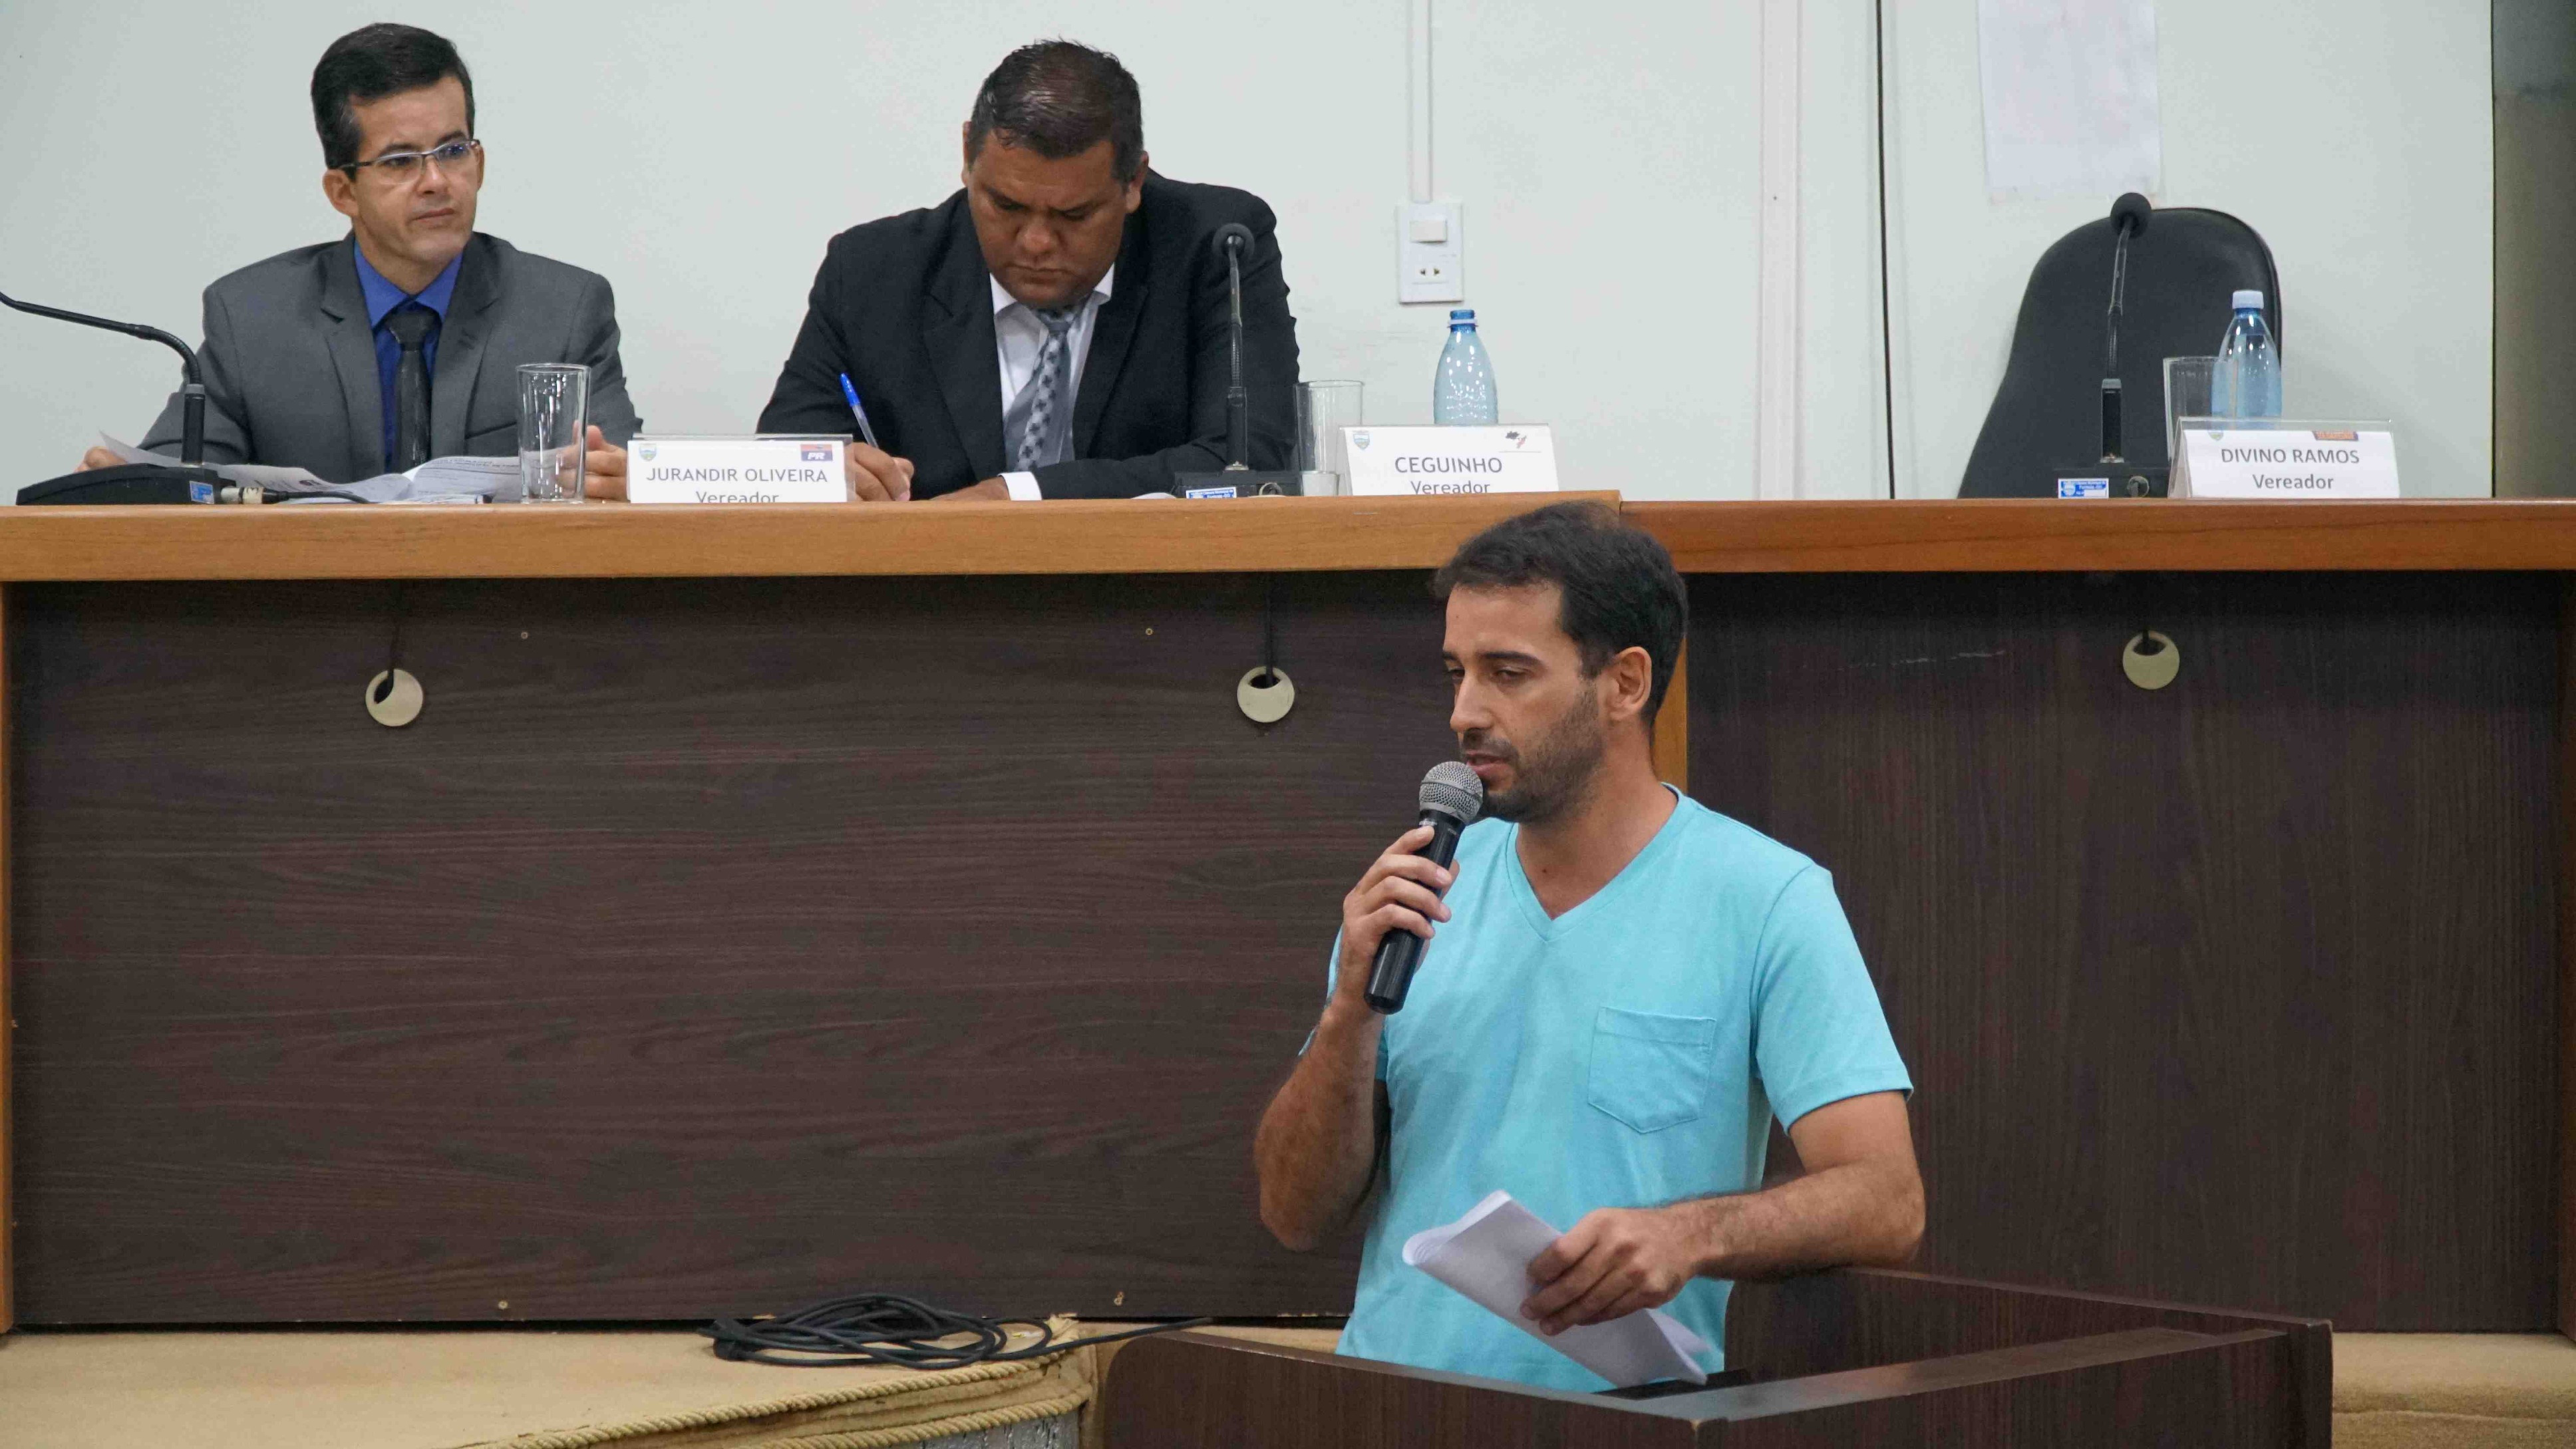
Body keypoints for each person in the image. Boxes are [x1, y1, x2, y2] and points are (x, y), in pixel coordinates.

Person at [1252, 502, 1923, 1392]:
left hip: (1632, 1417)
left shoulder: (1767, 899)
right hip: (1391, 1408)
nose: (1464, 712)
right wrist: (1348, 1012)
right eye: (1456, 672)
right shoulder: (1417, 891)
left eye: (1508, 673)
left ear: (1624, 684)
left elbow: (1885, 1198)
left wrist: (1689, 1236)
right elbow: (1293, 1216)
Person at [588, 40, 1298, 502]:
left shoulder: (1216, 245)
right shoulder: (874, 270)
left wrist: (1017, 494)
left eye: (1074, 215)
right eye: (1005, 206)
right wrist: (824, 475)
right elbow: (787, 457)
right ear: (966, 156)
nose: (1036, 242)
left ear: (1133, 182)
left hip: (1157, 615)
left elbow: (1250, 462)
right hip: (926, 625)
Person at [77, 23, 640, 484]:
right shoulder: (251, 321)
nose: (436, 182)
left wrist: (618, 480)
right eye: (400, 161)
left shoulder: (563, 311)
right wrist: (127, 485)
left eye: (452, 151)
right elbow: (181, 478)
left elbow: (616, 473)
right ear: (342, 192)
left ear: (480, 164)